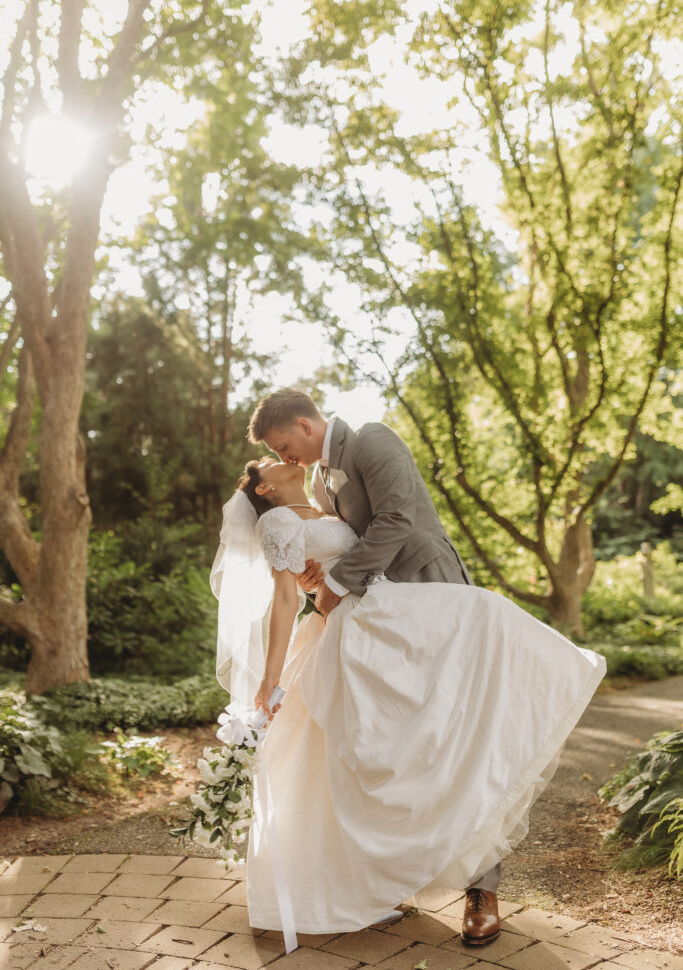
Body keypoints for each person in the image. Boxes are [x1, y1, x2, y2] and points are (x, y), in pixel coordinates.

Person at [211, 389, 606, 947]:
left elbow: (396, 519)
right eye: (278, 453)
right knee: (405, 746)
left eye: (284, 445)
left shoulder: (373, 439)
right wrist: (317, 581)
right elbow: (319, 551)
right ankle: (390, 873)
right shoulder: (320, 482)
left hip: (432, 591)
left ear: (304, 423)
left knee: (468, 733)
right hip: (374, 624)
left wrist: (335, 584)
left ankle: (481, 890)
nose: (286, 457)